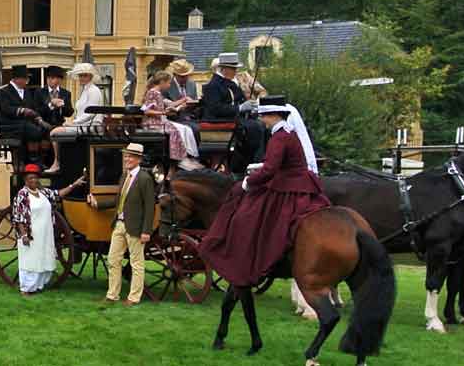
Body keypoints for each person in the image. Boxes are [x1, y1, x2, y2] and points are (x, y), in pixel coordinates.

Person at [199, 100, 329, 289]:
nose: (262, 120)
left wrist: (248, 182)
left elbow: (270, 170)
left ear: (274, 116)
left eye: (264, 116)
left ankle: (248, 256)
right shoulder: (289, 133)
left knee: (246, 214)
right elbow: (280, 163)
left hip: (287, 186)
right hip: (300, 182)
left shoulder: (279, 138)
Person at [13, 165, 85, 295]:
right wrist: (24, 235)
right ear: (25, 180)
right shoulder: (22, 195)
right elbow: (19, 218)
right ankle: (26, 289)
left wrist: (74, 185)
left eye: (35, 177)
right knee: (30, 260)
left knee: (43, 258)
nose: (33, 180)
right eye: (30, 178)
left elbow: (58, 194)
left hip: (45, 233)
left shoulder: (43, 192)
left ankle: (38, 286)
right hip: (31, 234)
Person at [104, 143, 158, 305]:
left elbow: (150, 207)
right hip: (119, 224)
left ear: (138, 159)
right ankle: (112, 295)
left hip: (135, 227)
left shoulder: (144, 178)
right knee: (113, 260)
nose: (127, 159)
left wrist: (146, 231)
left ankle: (134, 298)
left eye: (130, 156)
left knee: (136, 263)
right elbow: (118, 201)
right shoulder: (124, 176)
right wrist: (98, 204)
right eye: (126, 156)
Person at [201, 52, 267, 173]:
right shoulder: (213, 86)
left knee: (263, 124)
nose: (235, 72)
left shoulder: (231, 84)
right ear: (224, 69)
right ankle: (250, 162)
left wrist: (251, 107)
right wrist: (239, 108)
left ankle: (262, 159)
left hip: (236, 118)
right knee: (255, 127)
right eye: (233, 69)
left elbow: (240, 99)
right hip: (219, 120)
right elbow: (215, 109)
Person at [0, 65, 59, 187]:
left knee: (46, 129)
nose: (27, 81)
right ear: (17, 79)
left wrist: (43, 115)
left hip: (27, 123)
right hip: (10, 125)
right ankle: (33, 158)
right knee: (32, 129)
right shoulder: (4, 91)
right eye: (26, 79)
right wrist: (22, 110)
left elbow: (34, 109)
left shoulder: (28, 92)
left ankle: (42, 158)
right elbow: (6, 109)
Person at [141, 71, 200, 172]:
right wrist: (164, 113)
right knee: (175, 131)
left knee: (186, 129)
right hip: (153, 122)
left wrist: (183, 100)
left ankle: (188, 155)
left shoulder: (157, 93)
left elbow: (170, 104)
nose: (169, 86)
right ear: (162, 82)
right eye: (168, 83)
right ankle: (178, 158)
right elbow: (147, 111)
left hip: (161, 120)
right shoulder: (152, 93)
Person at [67, 63, 106, 129]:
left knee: (56, 132)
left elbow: (91, 113)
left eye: (85, 76)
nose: (82, 78)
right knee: (56, 130)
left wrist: (73, 122)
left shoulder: (93, 90)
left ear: (91, 76)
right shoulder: (85, 90)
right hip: (82, 125)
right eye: (80, 75)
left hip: (91, 126)